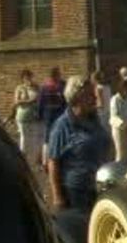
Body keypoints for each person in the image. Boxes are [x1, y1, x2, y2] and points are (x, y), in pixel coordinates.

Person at [46, 76, 110, 211]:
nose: (95, 98)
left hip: (100, 188)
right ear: (77, 98)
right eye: (90, 95)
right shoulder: (62, 126)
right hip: (76, 193)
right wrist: (58, 197)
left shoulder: (94, 120)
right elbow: (53, 162)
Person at [13, 69, 42, 163]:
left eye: (30, 77)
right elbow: (16, 102)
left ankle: (37, 158)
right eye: (26, 77)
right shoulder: (20, 88)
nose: (28, 79)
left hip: (34, 115)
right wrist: (29, 101)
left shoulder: (37, 87)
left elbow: (40, 99)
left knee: (35, 137)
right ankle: (22, 157)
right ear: (22, 79)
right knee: (24, 137)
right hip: (23, 116)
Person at [109, 78, 127, 164]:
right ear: (122, 87)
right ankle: (117, 173)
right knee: (120, 153)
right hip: (119, 129)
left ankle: (124, 173)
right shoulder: (115, 99)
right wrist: (123, 125)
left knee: (126, 154)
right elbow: (114, 115)